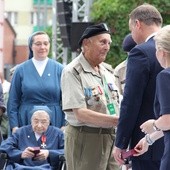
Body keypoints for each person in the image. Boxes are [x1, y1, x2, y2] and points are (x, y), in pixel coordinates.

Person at [61, 23, 120, 170]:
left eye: (109, 43)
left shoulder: (107, 71)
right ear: (86, 43)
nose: (107, 47)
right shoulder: (73, 71)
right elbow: (81, 114)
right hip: (86, 138)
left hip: (110, 138)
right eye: (102, 42)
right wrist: (118, 120)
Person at [113, 3, 164, 170]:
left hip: (148, 143)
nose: (132, 35)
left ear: (138, 24)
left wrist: (120, 143)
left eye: (131, 29)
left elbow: (131, 101)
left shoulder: (140, 52)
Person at [7, 31, 65, 134]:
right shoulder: (20, 70)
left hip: (54, 121)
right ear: (31, 46)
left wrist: (65, 124)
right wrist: (14, 126)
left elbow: (67, 101)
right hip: (26, 120)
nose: (42, 47)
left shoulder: (60, 70)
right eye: (38, 44)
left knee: (51, 150)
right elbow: (13, 101)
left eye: (46, 43)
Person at [133, 25, 170, 170]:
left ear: (162, 52)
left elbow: (168, 120)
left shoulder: (165, 76)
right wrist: (149, 139)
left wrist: (153, 124)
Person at [0, 105, 64, 170]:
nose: (39, 125)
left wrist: (49, 153)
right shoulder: (21, 132)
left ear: (49, 122)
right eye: (36, 121)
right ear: (31, 121)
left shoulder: (58, 133)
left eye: (43, 122)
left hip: (47, 167)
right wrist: (21, 154)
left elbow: (67, 150)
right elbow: (4, 146)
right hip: (21, 167)